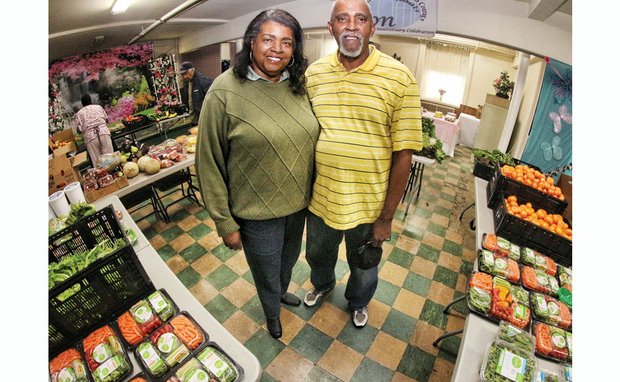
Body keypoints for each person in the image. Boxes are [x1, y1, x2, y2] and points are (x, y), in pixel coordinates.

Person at [195, 9, 319, 339]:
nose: (276, 49)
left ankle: (279, 292)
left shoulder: (297, 87)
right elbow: (208, 161)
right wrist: (224, 221)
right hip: (257, 213)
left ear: (294, 50)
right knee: (266, 271)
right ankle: (271, 312)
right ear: (251, 41)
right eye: (267, 39)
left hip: (298, 206)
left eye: (286, 42)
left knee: (287, 262)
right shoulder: (224, 91)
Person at [302, 0, 423, 328]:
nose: (351, 25)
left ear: (372, 27)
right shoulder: (314, 75)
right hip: (321, 199)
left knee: (365, 265)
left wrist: (386, 217)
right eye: (342, 18)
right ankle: (323, 284)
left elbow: (404, 154)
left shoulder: (400, 78)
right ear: (331, 28)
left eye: (360, 19)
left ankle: (357, 301)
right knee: (317, 256)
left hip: (369, 206)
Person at [73, 94, 114, 167]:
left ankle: (103, 177)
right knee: (110, 157)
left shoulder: (79, 113)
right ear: (91, 101)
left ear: (82, 104)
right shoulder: (98, 107)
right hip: (103, 132)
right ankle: (115, 173)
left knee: (97, 161)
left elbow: (79, 130)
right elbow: (107, 119)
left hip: (90, 138)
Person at [179, 61, 213, 125]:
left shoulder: (203, 81)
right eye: (183, 75)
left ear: (192, 70)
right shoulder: (187, 83)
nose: (185, 76)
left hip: (204, 119)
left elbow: (212, 101)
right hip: (194, 120)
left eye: (186, 73)